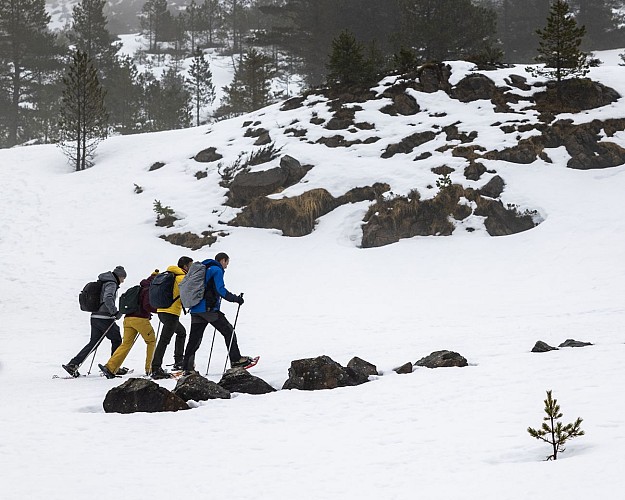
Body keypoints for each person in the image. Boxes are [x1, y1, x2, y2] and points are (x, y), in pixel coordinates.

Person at [181, 252, 251, 375]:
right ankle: (236, 360)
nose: (227, 266)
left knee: (194, 339)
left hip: (195, 309)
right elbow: (220, 290)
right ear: (223, 260)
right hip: (208, 310)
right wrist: (236, 299)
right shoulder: (216, 270)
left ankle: (187, 367)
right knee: (228, 331)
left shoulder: (205, 269)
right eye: (227, 262)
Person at [63, 266, 127, 377]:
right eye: (123, 278)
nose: (123, 281)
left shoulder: (102, 282)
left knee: (93, 343)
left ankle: (73, 364)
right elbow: (107, 298)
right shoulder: (111, 284)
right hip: (105, 317)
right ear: (119, 276)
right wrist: (115, 312)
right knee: (116, 339)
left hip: (95, 316)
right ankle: (113, 367)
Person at [99, 271, 158, 378]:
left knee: (126, 344)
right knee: (151, 341)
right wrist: (159, 310)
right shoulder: (148, 290)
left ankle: (110, 367)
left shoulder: (136, 289)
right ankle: (150, 368)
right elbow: (146, 305)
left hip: (127, 319)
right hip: (140, 320)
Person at [150, 256, 193, 379]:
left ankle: (178, 360)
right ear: (185, 266)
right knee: (164, 340)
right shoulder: (181, 278)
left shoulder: (170, 275)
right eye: (190, 265)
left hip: (162, 311)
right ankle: (156, 367)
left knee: (181, 332)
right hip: (171, 313)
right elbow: (188, 294)